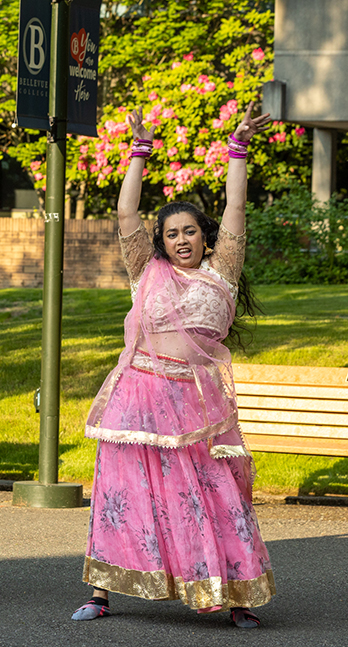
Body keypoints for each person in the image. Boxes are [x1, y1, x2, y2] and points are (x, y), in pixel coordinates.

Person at [72, 103, 275, 628]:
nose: (181, 240)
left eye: (190, 232)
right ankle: (101, 592)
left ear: (206, 237)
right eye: (171, 235)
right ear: (159, 244)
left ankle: (234, 596)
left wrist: (238, 149)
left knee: (213, 495)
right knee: (125, 495)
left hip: (198, 405)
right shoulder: (146, 272)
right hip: (139, 397)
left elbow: (236, 206)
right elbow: (125, 215)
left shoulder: (223, 272)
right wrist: (138, 150)